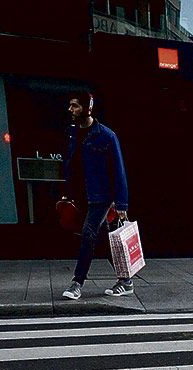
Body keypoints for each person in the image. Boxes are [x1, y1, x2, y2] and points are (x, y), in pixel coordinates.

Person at [60, 92, 132, 300]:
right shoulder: (72, 133)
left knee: (88, 234)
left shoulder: (106, 136)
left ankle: (77, 283)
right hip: (83, 196)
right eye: (70, 106)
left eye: (74, 106)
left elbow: (118, 170)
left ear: (87, 108)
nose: (70, 110)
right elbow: (71, 165)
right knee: (104, 238)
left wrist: (121, 203)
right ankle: (126, 280)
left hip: (101, 197)